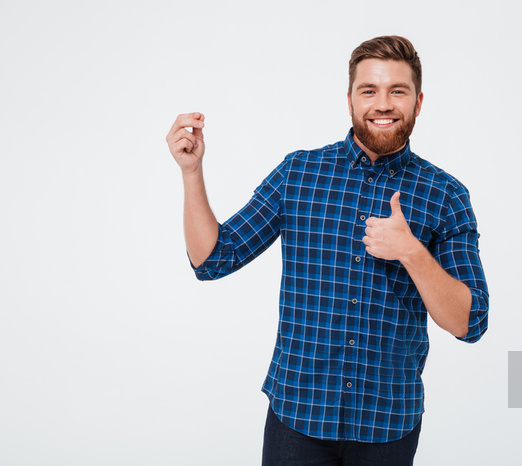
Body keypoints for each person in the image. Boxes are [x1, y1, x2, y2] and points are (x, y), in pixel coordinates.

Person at [166, 35, 488, 466]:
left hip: (387, 426)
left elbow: (470, 322)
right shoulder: (299, 173)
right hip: (296, 421)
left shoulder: (446, 195)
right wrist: (191, 172)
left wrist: (412, 252)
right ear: (350, 99)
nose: (383, 104)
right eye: (369, 90)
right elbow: (212, 259)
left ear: (418, 101)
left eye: (398, 91)